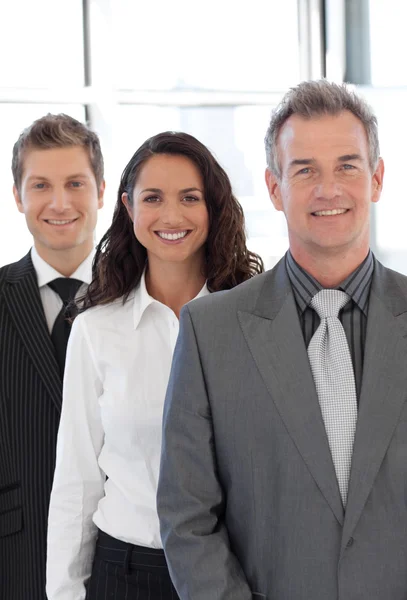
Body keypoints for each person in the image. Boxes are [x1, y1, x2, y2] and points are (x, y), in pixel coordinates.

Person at [157, 80, 407, 600]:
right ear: (275, 188)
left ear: (377, 178)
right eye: (305, 170)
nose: (329, 188)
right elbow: (187, 518)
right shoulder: (210, 332)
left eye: (347, 165)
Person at [46, 131, 263, 600]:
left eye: (190, 197)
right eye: (153, 198)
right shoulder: (95, 330)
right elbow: (76, 480)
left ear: (214, 207)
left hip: (234, 572)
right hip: (126, 573)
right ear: (128, 207)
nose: (171, 215)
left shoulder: (256, 324)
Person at [0, 114, 105, 600]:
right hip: (15, 561)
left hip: (127, 564)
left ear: (102, 191)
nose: (59, 203)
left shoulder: (146, 300)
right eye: (41, 184)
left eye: (75, 184)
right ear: (18, 196)